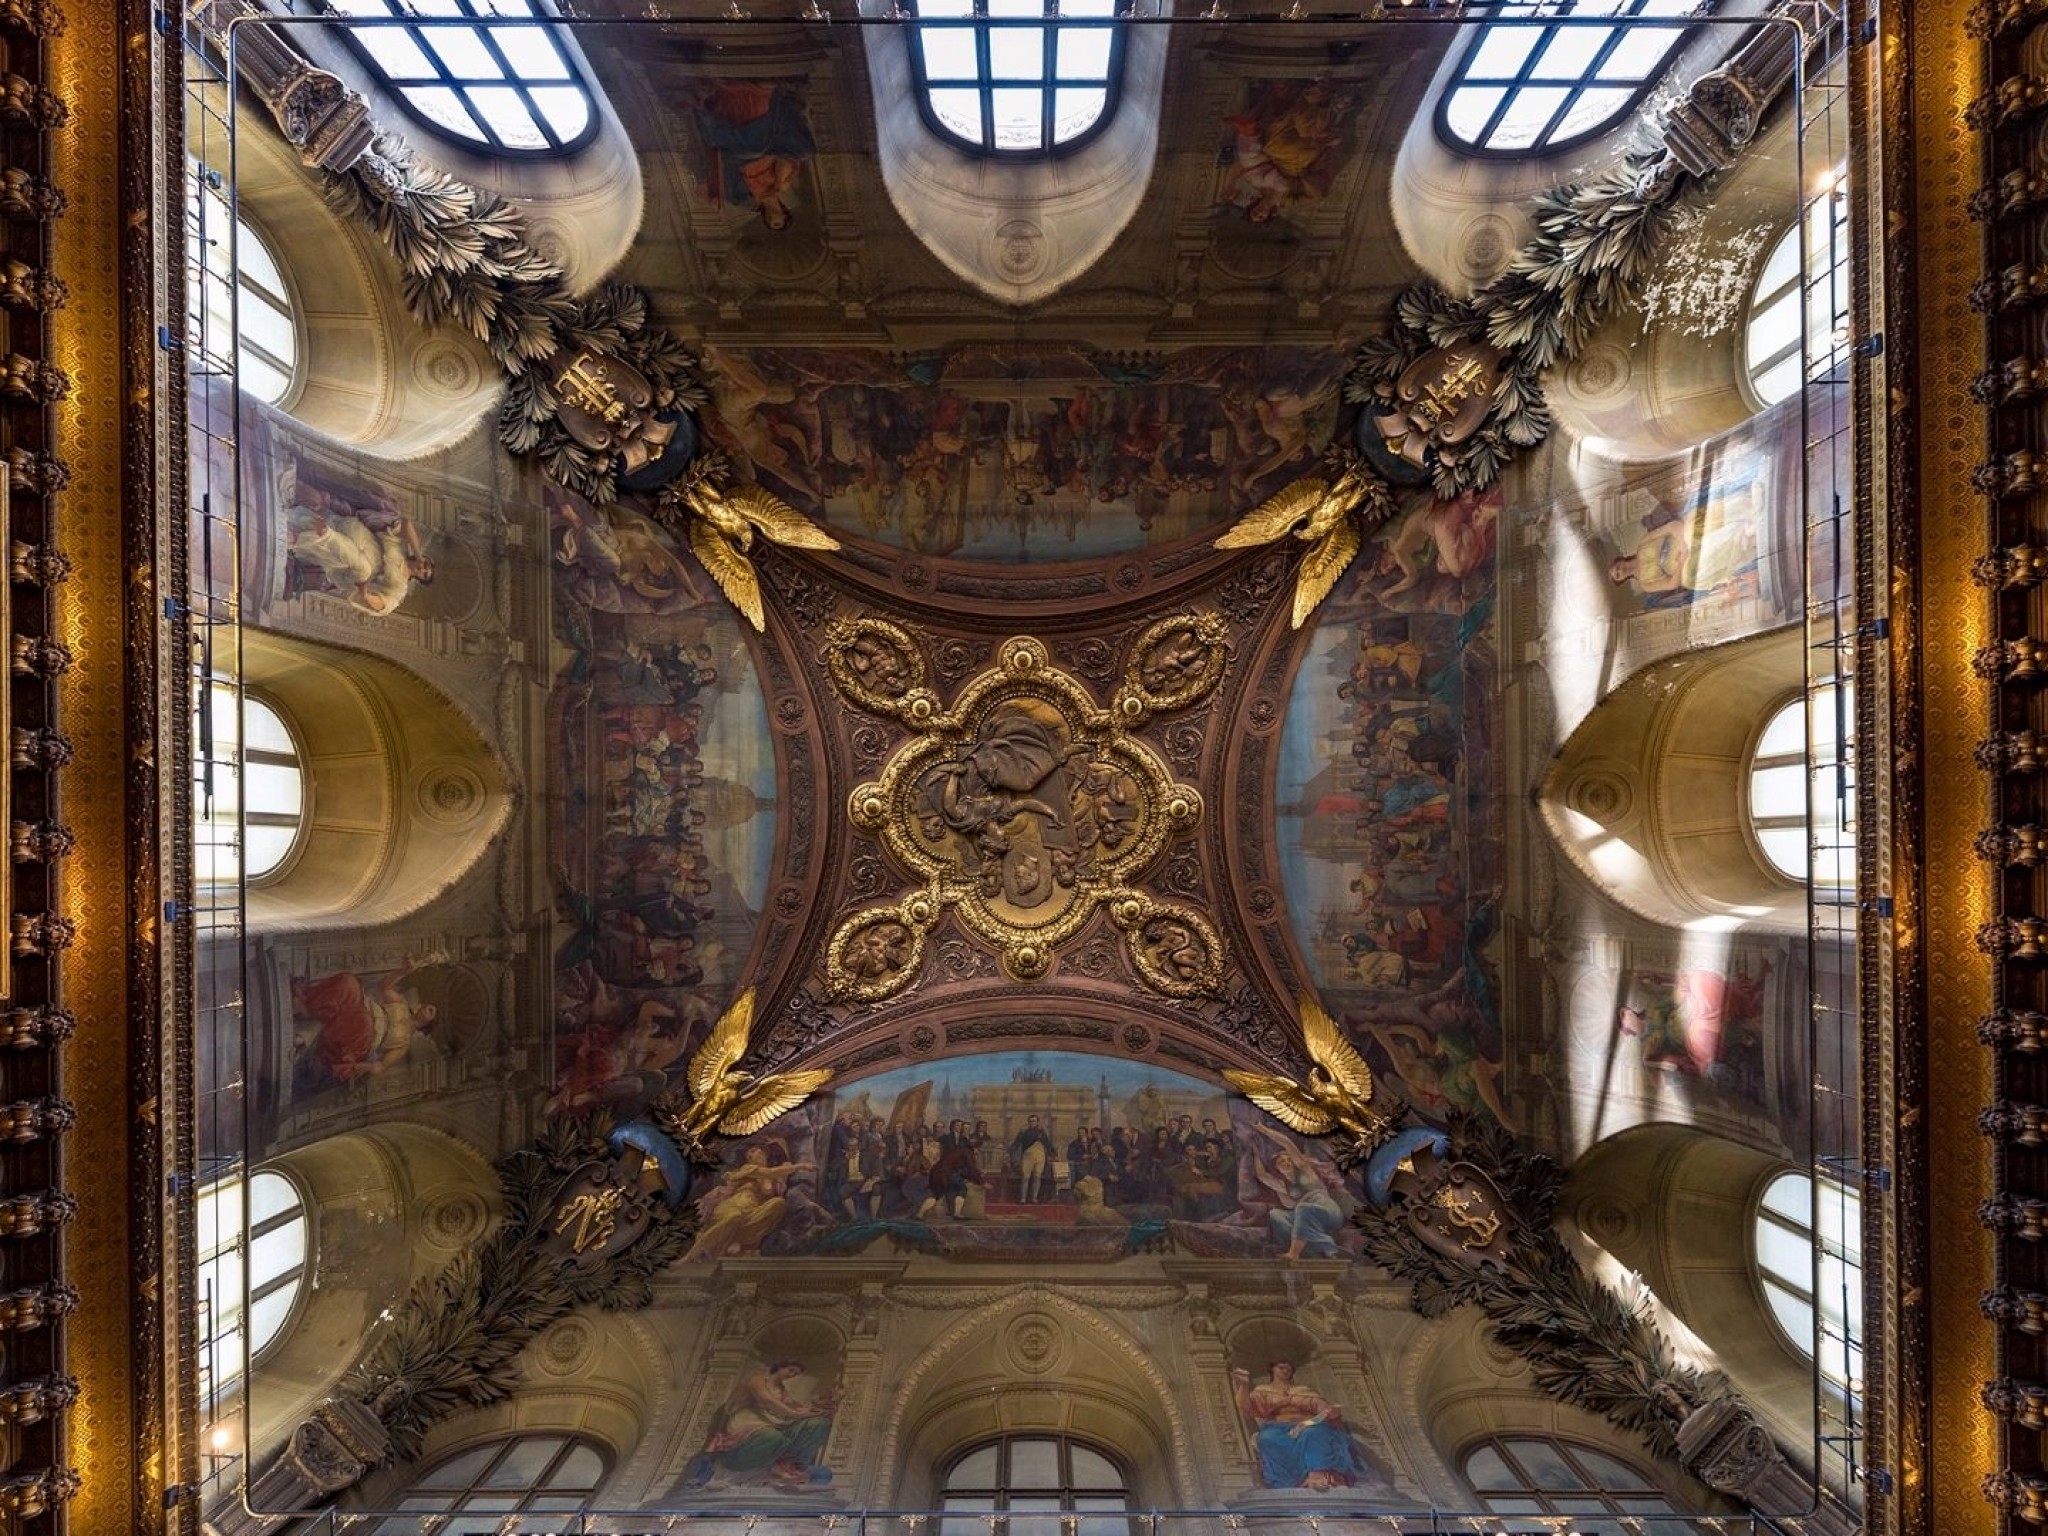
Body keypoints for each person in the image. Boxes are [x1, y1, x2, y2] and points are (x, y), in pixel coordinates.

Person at [290, 956, 441, 1093]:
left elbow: (380, 1067)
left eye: (433, 1012)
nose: (430, 1006)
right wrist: (403, 971)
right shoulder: (401, 1003)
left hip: (362, 1039)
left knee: (364, 1023)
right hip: (361, 1009)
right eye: (431, 1007)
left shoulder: (403, 1044)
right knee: (349, 982)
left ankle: (305, 1032)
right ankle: (306, 1008)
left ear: (427, 1024)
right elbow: (384, 987)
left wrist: (366, 1067)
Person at [683, 1359, 839, 1490]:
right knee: (772, 1437)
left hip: (773, 1422)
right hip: (748, 1421)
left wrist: (819, 1409)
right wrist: (798, 1414)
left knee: (818, 1424)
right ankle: (769, 1467)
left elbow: (796, 1406)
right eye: (790, 1370)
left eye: (795, 1374)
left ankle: (791, 1465)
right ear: (780, 1366)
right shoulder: (758, 1380)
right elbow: (767, 1400)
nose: (792, 1375)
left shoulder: (782, 1389)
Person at [1231, 1361, 1381, 1491]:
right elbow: (1247, 1408)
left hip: (1310, 1424)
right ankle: (1286, 1483)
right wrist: (1243, 1385)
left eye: (1288, 1368)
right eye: (1281, 1367)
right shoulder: (1263, 1390)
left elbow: (1322, 1410)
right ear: (1272, 1370)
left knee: (1312, 1433)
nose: (1284, 1370)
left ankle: (1319, 1475)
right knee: (1266, 1438)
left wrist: (1331, 1411)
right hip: (1279, 1428)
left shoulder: (1304, 1391)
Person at [687, 1143, 814, 1262]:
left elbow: (780, 1171)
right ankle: (691, 1255)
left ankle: (740, 1240)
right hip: (733, 1207)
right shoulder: (749, 1168)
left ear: (764, 1153)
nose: (749, 1155)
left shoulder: (774, 1181)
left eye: (753, 1151)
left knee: (778, 1203)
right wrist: (801, 1166)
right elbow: (770, 1172)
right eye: (747, 1154)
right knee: (734, 1216)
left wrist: (783, 1148)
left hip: (750, 1215)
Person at [1008, 1113, 1055, 1204]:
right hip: (1027, 1157)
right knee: (1025, 1177)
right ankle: (1023, 1199)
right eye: (1030, 1121)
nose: (1032, 1123)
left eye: (1034, 1121)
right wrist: (1009, 1153)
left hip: (1040, 1157)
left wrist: (1053, 1154)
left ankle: (1034, 1198)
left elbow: (1048, 1144)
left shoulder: (1042, 1133)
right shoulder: (1024, 1132)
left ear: (1037, 1122)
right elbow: (1016, 1143)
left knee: (1037, 1177)